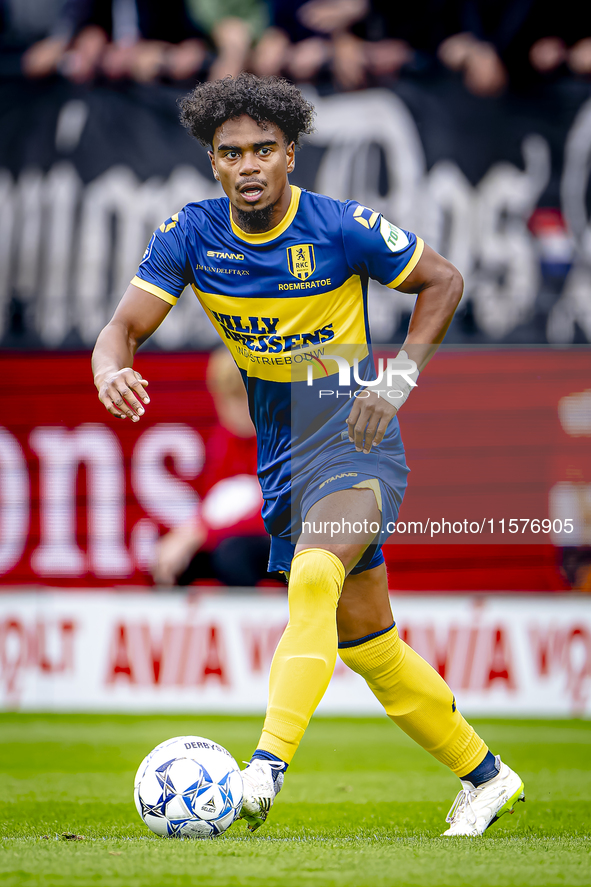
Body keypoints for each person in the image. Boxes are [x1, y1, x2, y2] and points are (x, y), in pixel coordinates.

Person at [92, 72, 525, 837]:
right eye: (231, 153)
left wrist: (394, 381)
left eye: (264, 148)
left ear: (291, 153)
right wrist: (109, 365)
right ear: (213, 161)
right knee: (369, 645)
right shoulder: (191, 234)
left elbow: (443, 281)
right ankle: (485, 776)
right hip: (283, 446)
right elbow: (123, 327)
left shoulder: (338, 226)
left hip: (355, 431)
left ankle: (265, 766)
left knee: (316, 571)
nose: (249, 164)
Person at [152, 346, 271, 588]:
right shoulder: (225, 438)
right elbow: (216, 503)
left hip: (288, 540)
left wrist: (200, 532)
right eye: (226, 400)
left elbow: (278, 510)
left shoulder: (286, 438)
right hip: (234, 535)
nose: (234, 411)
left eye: (241, 399)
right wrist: (187, 534)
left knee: (233, 554)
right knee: (175, 560)